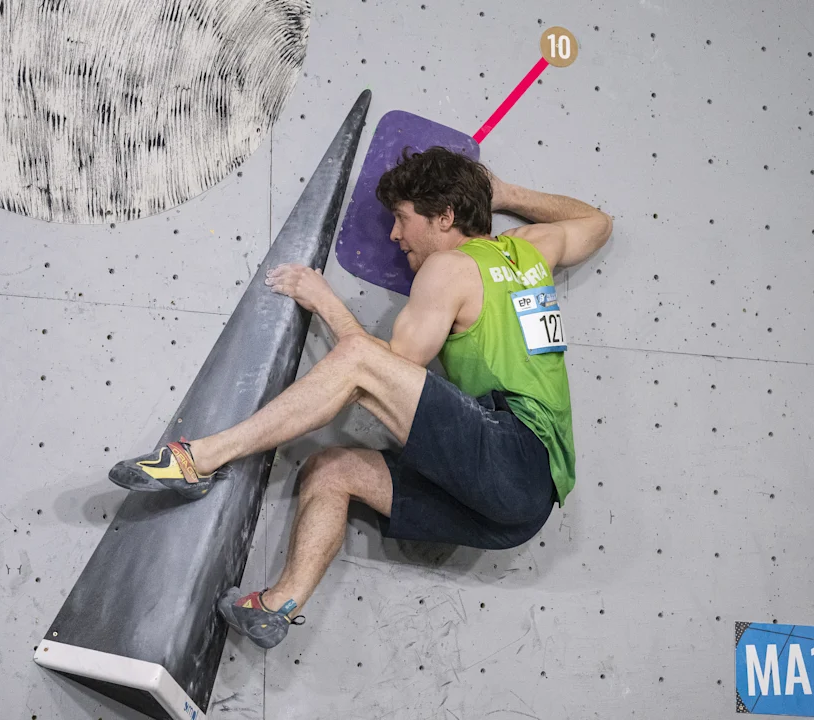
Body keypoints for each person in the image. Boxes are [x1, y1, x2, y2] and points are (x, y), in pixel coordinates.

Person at [110, 147, 613, 649]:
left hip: (510, 452)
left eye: (402, 218)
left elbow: (380, 368)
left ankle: (200, 458)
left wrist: (326, 302)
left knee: (357, 360)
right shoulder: (529, 251)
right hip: (523, 510)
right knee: (331, 470)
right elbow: (598, 223)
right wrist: (505, 194)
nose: (394, 235)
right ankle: (277, 605)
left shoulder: (449, 268)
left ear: (445, 217)